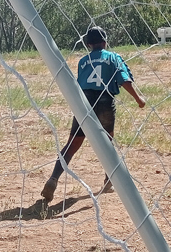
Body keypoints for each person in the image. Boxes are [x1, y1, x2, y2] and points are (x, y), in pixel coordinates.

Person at [40, 26, 146, 203]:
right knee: (107, 144)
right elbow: (124, 79)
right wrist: (138, 98)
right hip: (104, 103)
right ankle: (108, 180)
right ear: (105, 42)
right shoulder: (113, 57)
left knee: (72, 145)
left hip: (84, 104)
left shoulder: (83, 61)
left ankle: (53, 178)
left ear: (88, 44)